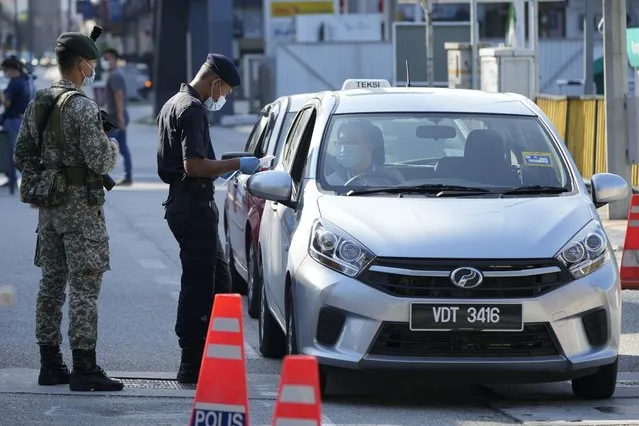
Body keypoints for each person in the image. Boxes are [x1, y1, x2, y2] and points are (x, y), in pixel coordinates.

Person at [13, 28, 124, 392]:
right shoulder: (82, 107)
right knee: (84, 286)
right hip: (81, 210)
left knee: (51, 284)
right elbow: (100, 159)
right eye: (90, 62)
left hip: (51, 210)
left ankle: (50, 364)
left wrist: (43, 181)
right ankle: (85, 368)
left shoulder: (39, 103)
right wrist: (110, 143)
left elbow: (21, 154)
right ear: (81, 65)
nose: (92, 67)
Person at [157, 53, 260, 384]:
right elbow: (195, 165)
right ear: (215, 82)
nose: (224, 97)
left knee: (219, 283)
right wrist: (236, 166)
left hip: (186, 202)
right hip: (192, 204)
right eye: (226, 90)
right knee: (199, 286)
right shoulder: (193, 109)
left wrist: (233, 161)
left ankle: (214, 354)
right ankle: (191, 363)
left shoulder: (174, 101)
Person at [325, 120, 404, 186]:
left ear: (368, 147)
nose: (343, 147)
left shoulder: (392, 177)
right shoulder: (329, 184)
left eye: (349, 142)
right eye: (340, 142)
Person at [101, 48, 132, 185]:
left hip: (115, 118)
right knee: (123, 147)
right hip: (117, 116)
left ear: (115, 59)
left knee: (107, 146)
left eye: (108, 59)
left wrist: (119, 118)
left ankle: (104, 177)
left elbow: (118, 96)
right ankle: (128, 175)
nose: (105, 62)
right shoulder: (115, 74)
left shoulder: (115, 76)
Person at [0, 57, 32, 190]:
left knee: (11, 152)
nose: (5, 74)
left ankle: (20, 180)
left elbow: (7, 103)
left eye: (5, 71)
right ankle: (12, 179)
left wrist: (1, 93)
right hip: (20, 119)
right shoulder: (25, 80)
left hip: (13, 121)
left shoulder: (14, 83)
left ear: (12, 70)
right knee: (14, 151)